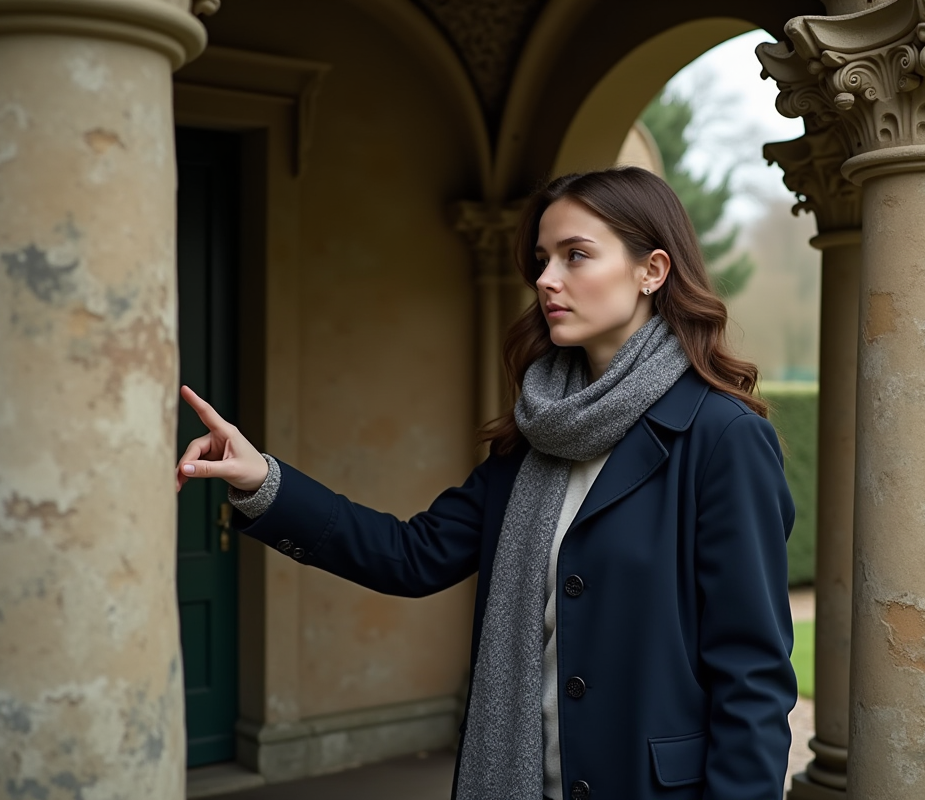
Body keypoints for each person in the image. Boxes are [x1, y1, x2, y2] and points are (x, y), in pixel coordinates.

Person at [176, 166, 797, 800]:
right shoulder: (538, 432)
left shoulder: (722, 439)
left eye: (576, 255)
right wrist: (264, 481)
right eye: (542, 259)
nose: (546, 279)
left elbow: (751, 676)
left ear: (652, 271)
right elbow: (411, 555)